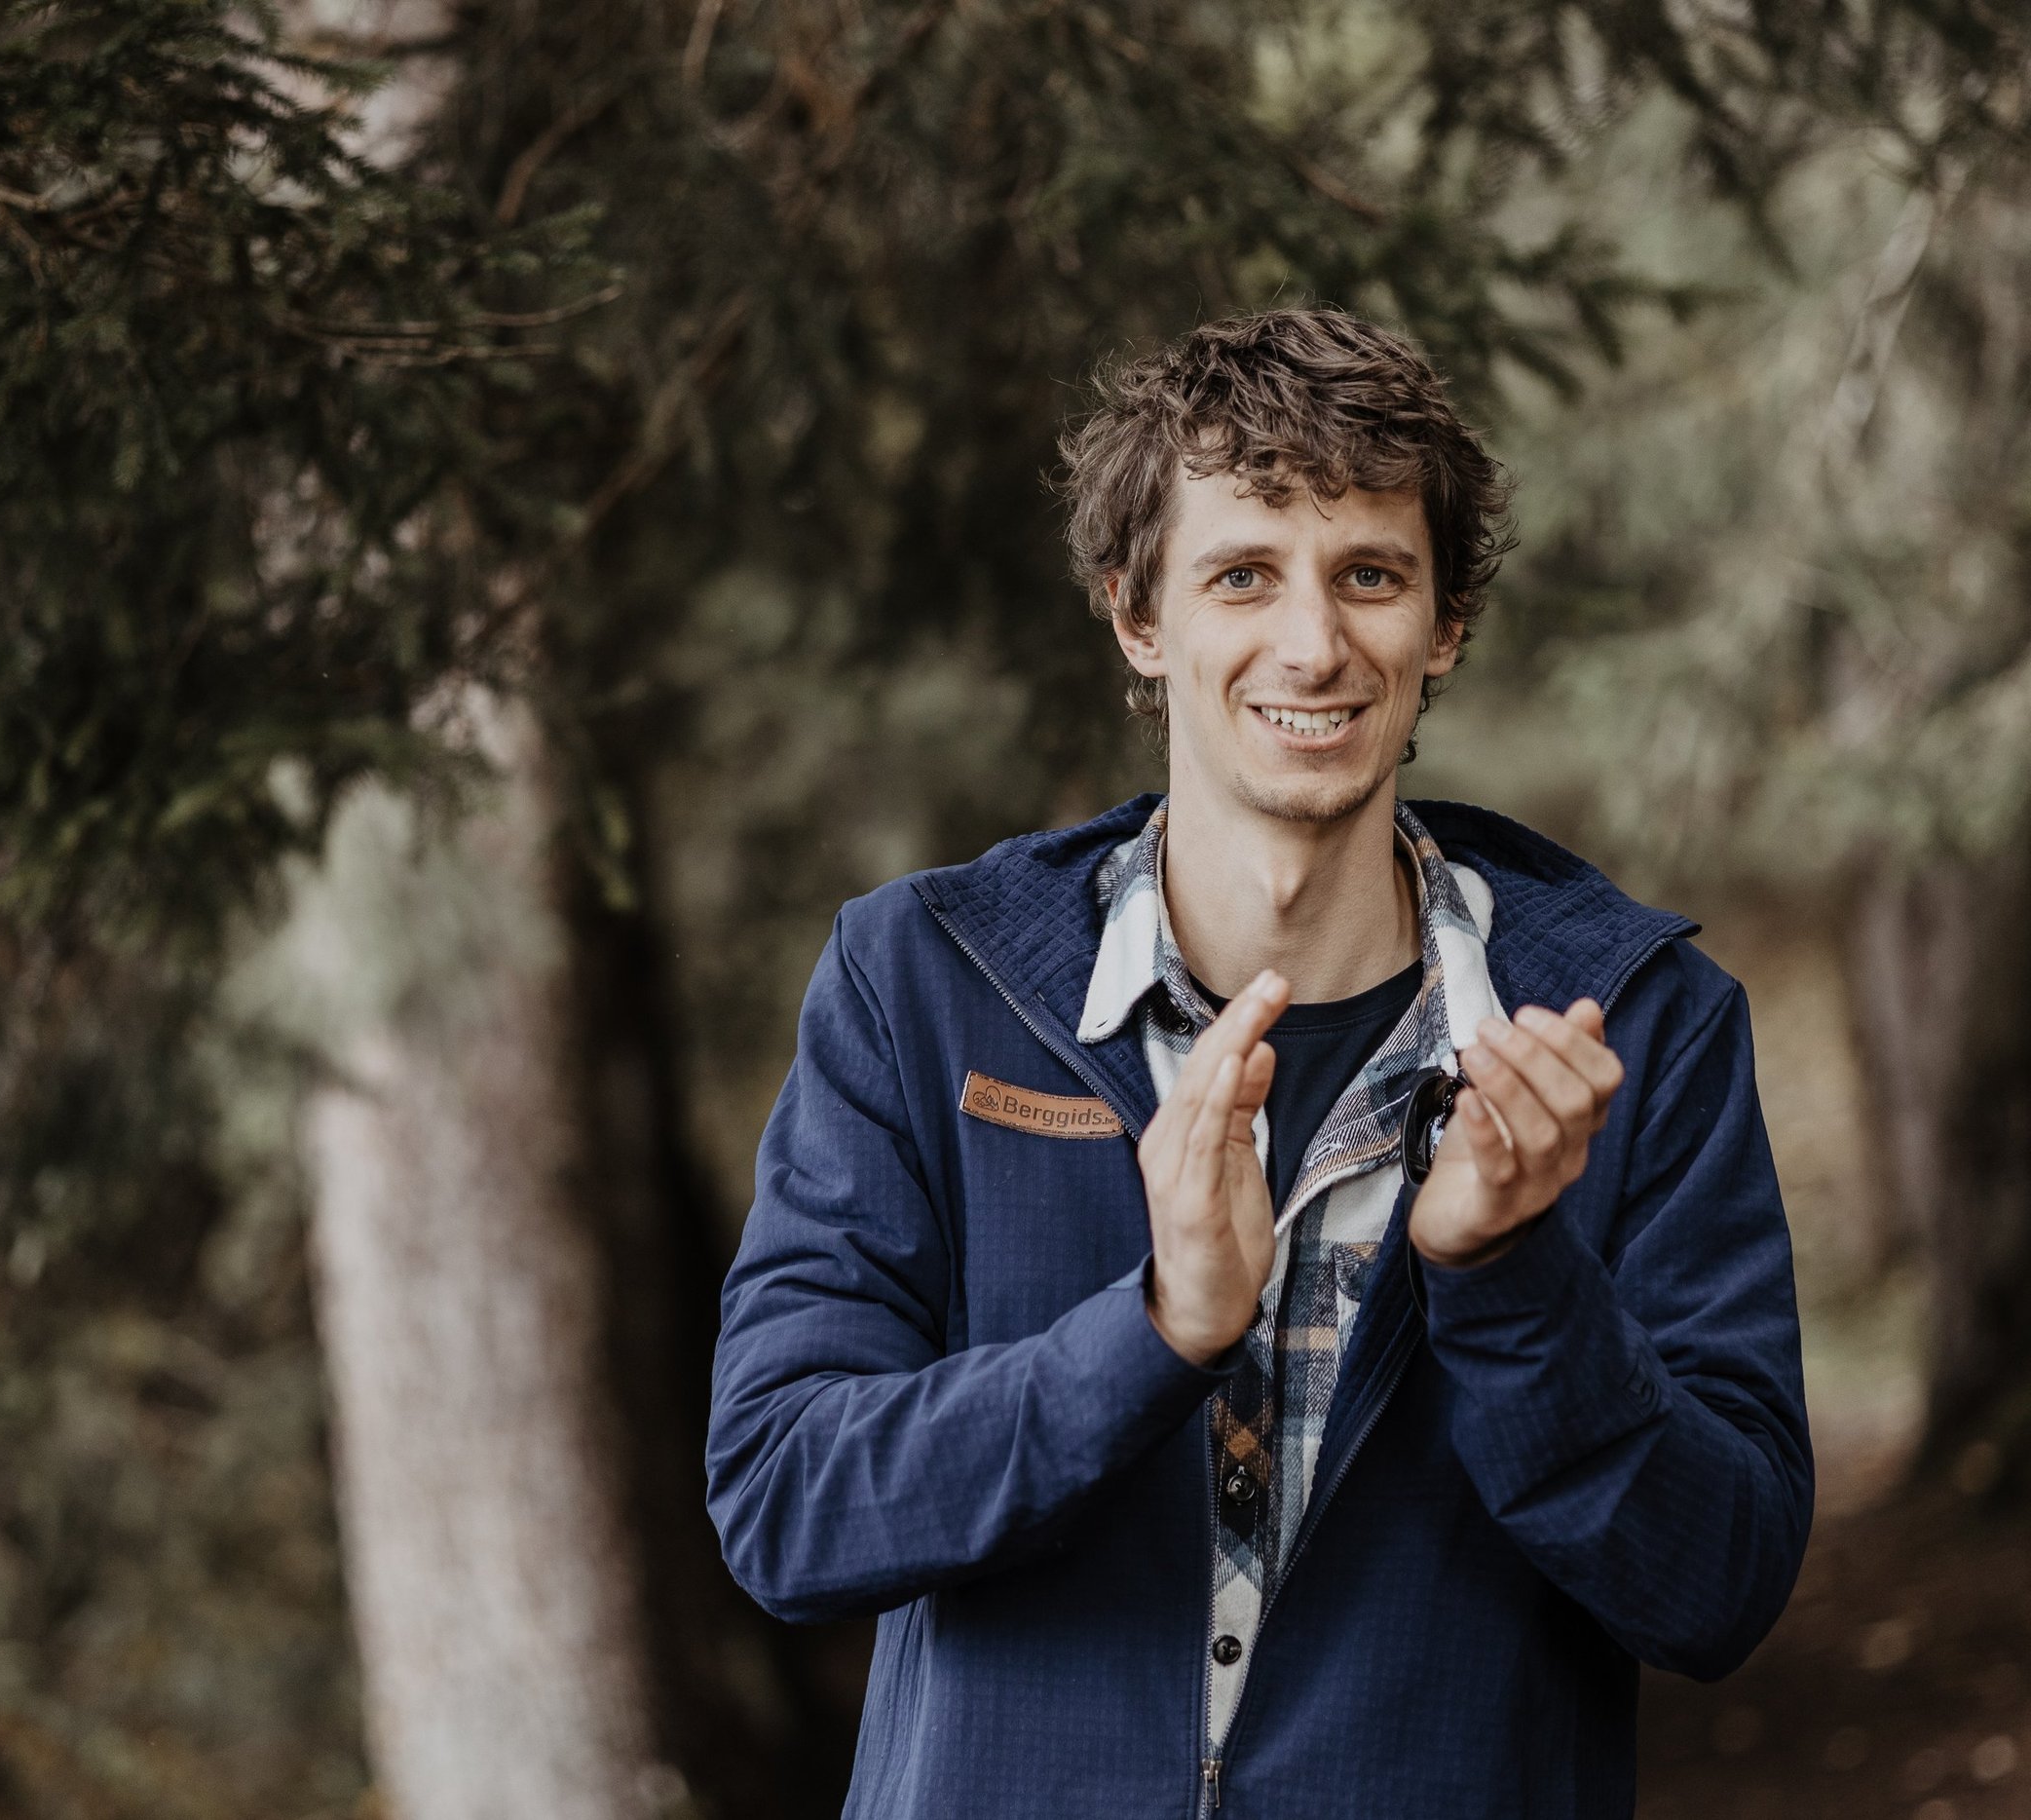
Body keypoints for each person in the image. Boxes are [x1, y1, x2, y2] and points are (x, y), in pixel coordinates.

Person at [703, 307, 1812, 1818]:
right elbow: (786, 1503)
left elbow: (1718, 1587)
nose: (1315, 643)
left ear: (1446, 623)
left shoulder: (1636, 1026)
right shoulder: (922, 986)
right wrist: (1155, 1332)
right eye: (1244, 575)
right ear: (1138, 617)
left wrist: (1509, 1280)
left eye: (1371, 575)